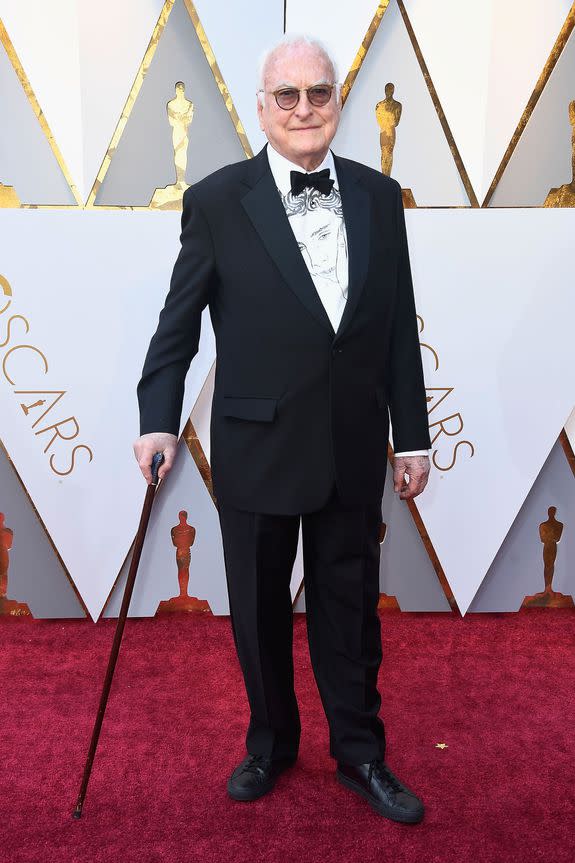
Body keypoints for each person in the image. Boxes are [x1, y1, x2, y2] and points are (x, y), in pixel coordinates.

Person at [134, 33, 431, 825]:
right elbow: (177, 326)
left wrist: (412, 433)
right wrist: (157, 419)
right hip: (256, 442)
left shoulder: (376, 195)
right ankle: (269, 742)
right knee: (259, 609)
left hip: (352, 441)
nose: (305, 109)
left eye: (319, 93)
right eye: (287, 96)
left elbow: (398, 324)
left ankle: (361, 753)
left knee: (350, 604)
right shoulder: (218, 200)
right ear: (262, 109)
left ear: (338, 102)